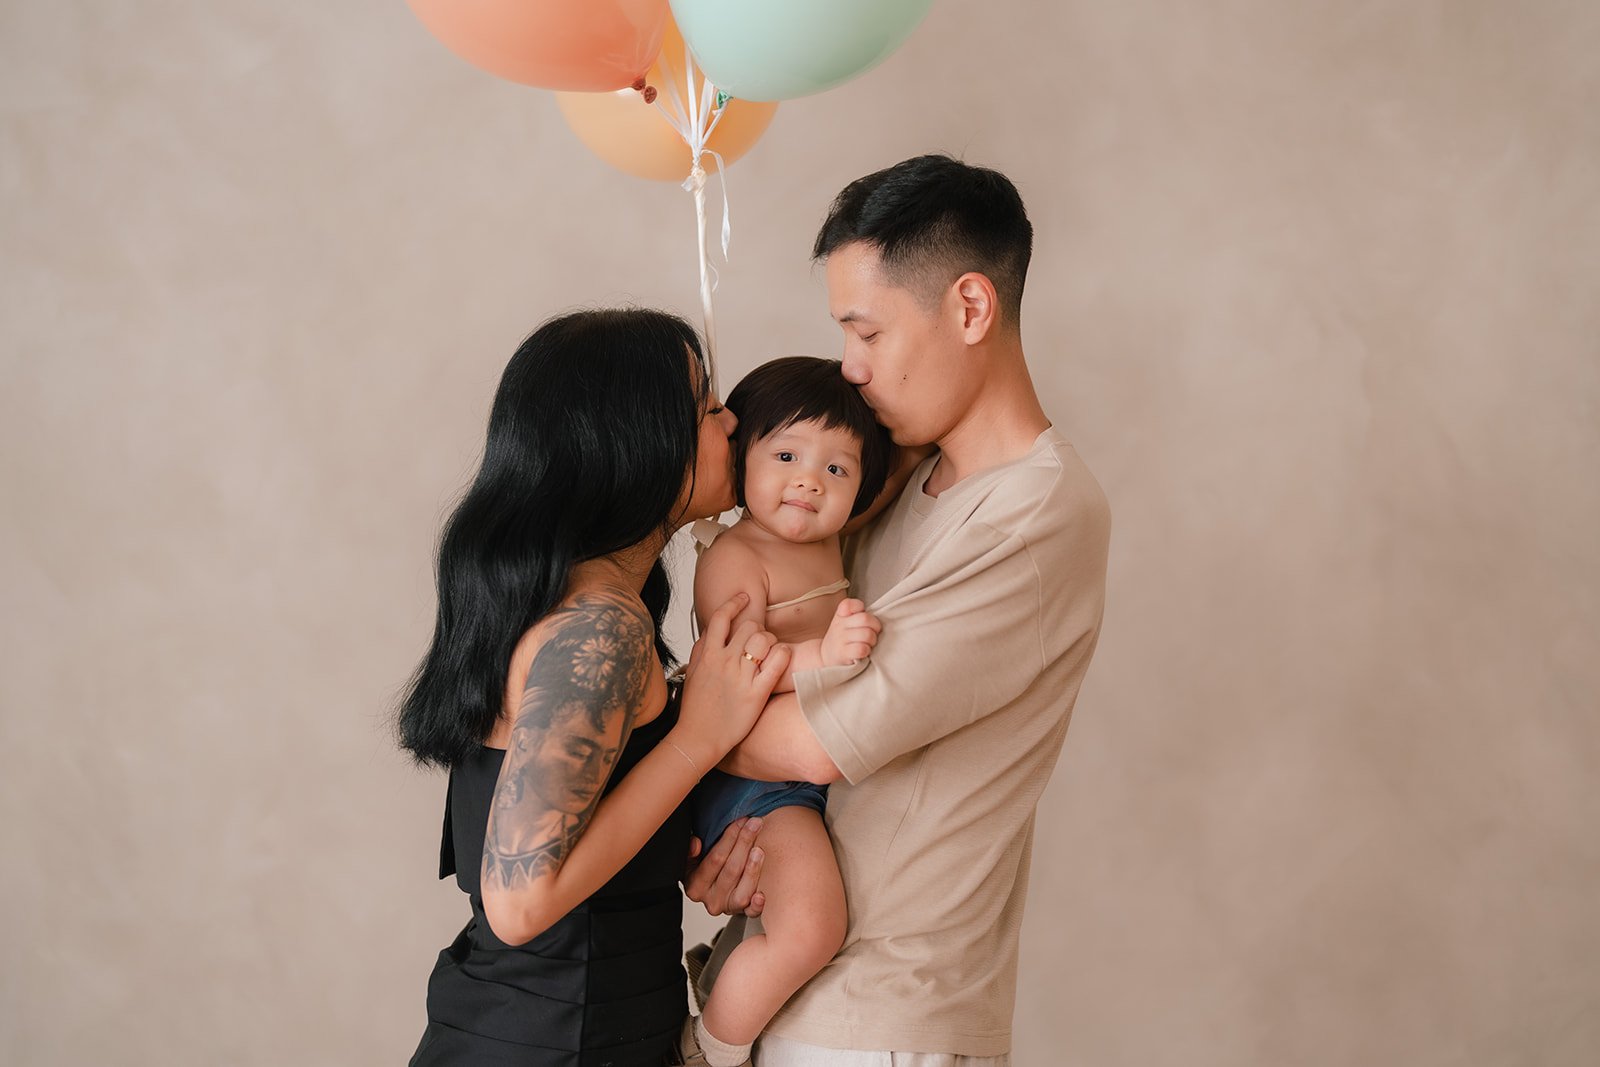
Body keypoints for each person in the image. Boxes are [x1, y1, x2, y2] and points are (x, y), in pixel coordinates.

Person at [687, 155, 1112, 1067]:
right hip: (792, 1000)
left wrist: (671, 731)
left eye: (868, 331)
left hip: (883, 1022)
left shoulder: (1035, 513)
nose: (850, 365)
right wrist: (720, 821)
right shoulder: (890, 483)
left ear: (969, 308)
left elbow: (811, 743)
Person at [397, 308, 792, 1067]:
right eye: (708, 407)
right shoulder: (598, 630)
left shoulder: (565, 605)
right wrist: (698, 737)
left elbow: (582, 836)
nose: (733, 419)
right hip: (556, 1042)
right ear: (636, 441)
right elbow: (519, 903)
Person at [675, 357, 894, 1067]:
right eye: (788, 456)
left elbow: (900, 461)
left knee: (815, 912)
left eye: (837, 469)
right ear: (742, 461)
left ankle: (725, 979)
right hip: (755, 783)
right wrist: (821, 654)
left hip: (799, 771)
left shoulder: (824, 532)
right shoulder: (737, 557)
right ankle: (709, 1048)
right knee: (812, 929)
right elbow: (733, 671)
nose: (809, 480)